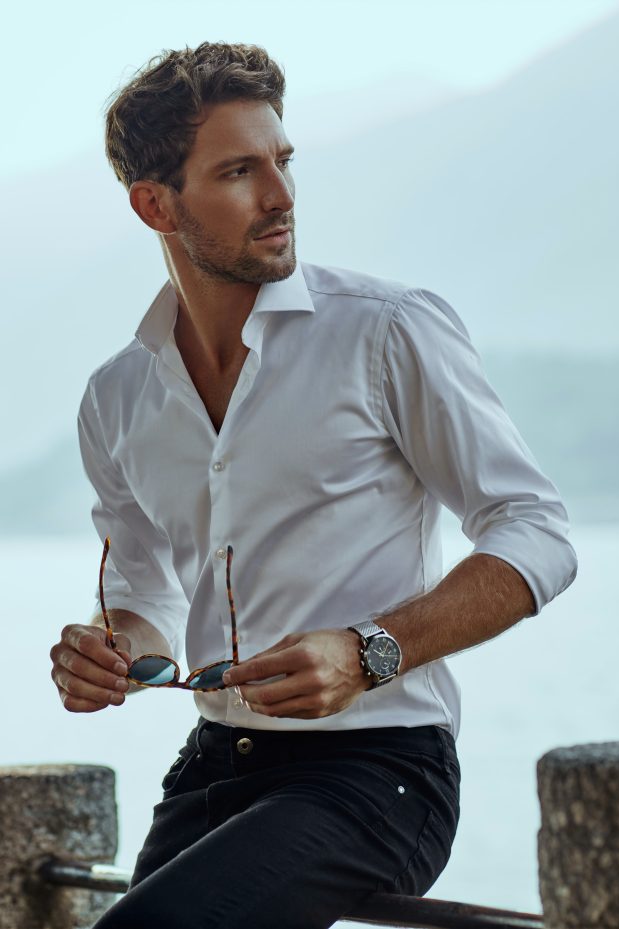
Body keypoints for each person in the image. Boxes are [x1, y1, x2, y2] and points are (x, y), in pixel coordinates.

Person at [49, 41, 577, 929]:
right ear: (155, 204)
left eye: (284, 161)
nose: (283, 195)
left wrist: (372, 649)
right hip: (214, 762)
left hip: (379, 770)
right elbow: (141, 589)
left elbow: (537, 531)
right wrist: (109, 649)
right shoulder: (117, 396)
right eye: (239, 171)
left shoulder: (387, 332)